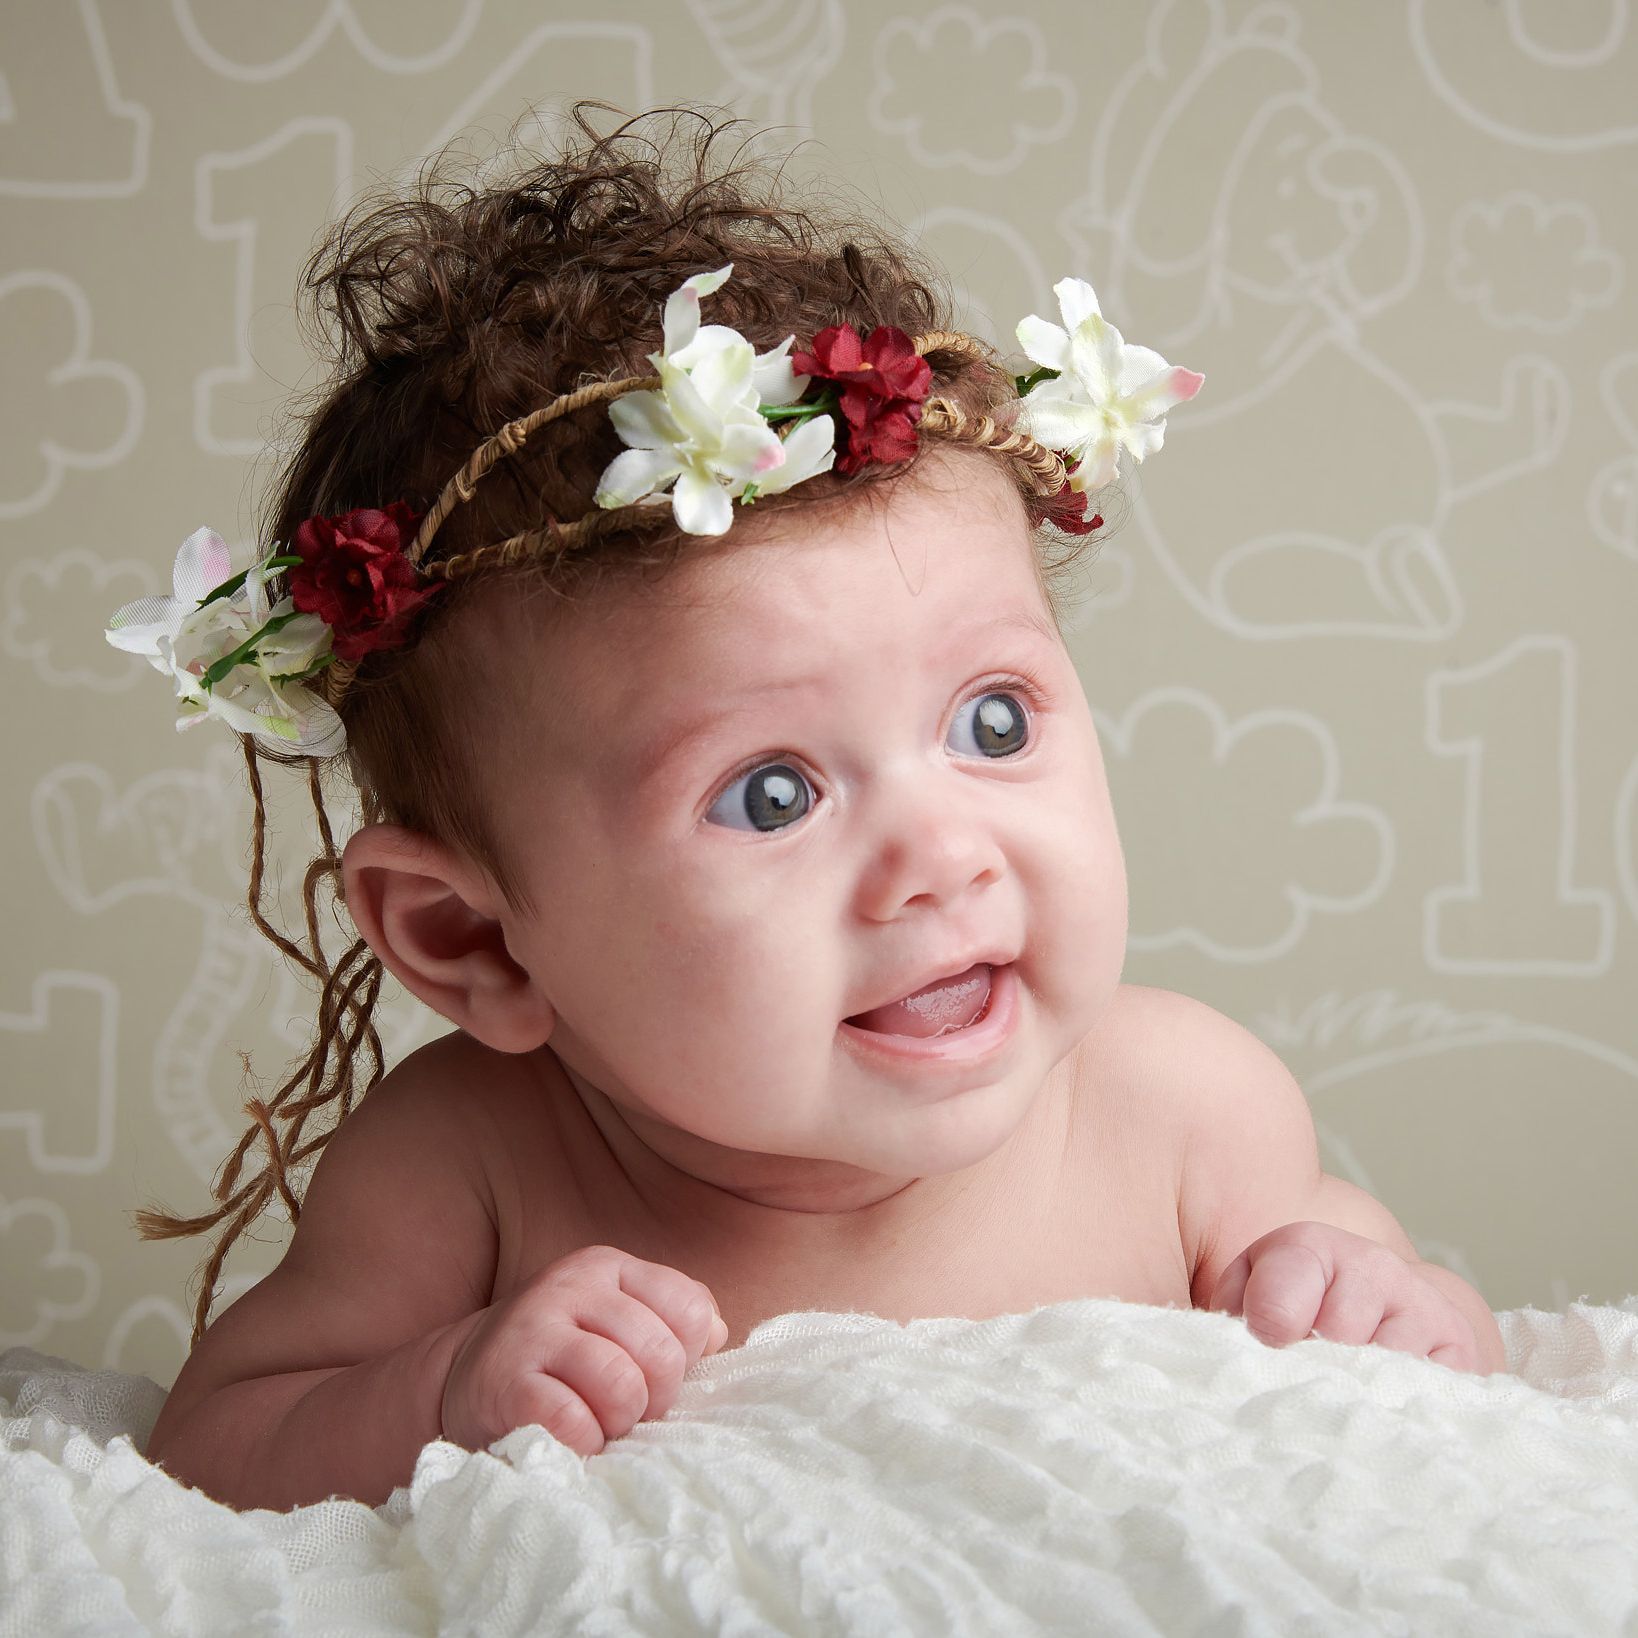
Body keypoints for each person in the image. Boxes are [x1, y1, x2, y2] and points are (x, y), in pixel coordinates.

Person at [107, 102, 1505, 1512]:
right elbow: (207, 1451)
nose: (938, 859)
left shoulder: (1181, 1113)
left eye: (992, 721)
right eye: (771, 794)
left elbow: (1440, 1368)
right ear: (474, 936)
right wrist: (442, 1387)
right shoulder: (469, 1165)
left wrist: (1389, 1309)